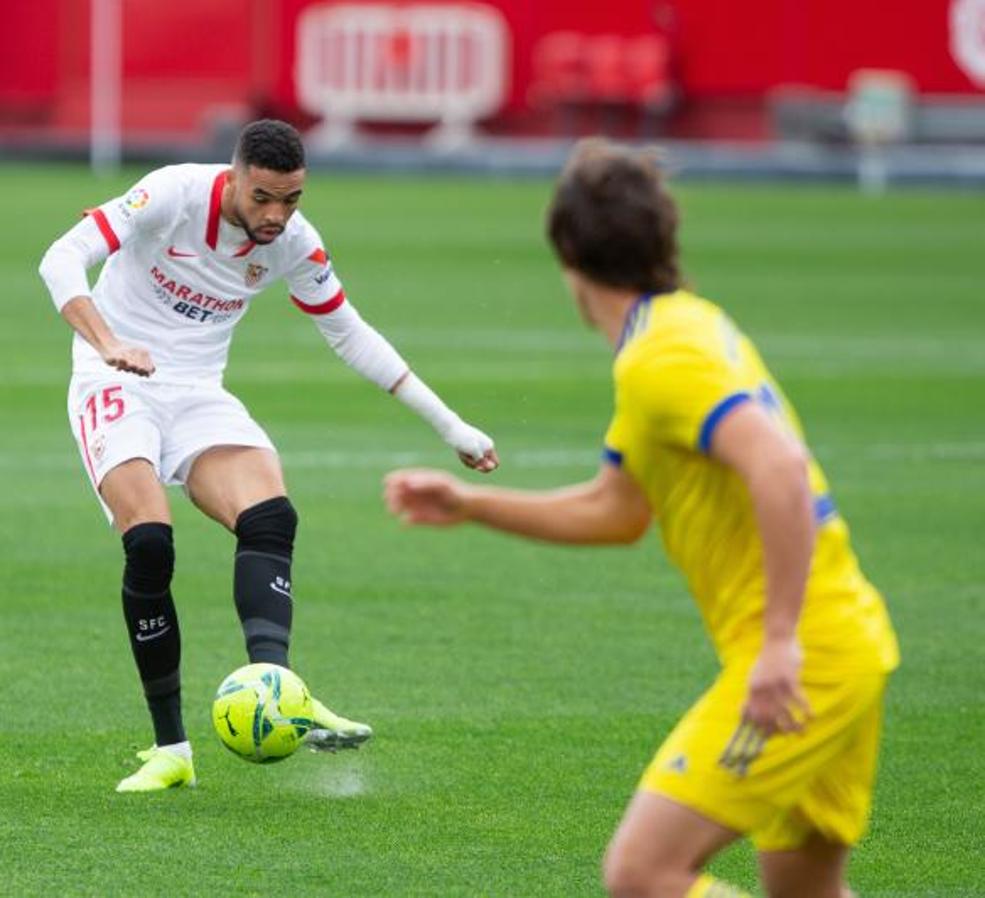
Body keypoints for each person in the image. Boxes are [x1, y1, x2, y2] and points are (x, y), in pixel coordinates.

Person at [384, 139, 898, 898]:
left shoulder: (660, 360)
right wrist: (471, 505)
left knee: (642, 872)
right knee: (803, 891)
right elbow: (616, 510)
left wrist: (780, 643)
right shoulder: (681, 327)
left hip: (804, 659)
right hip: (844, 645)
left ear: (566, 252)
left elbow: (780, 468)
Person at [38, 119, 499, 793]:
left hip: (196, 392)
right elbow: (59, 258)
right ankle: (171, 749)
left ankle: (277, 693)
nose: (276, 215)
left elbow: (349, 333)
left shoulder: (292, 243)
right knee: (150, 546)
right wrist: (107, 342)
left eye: (292, 200)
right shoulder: (171, 194)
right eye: (262, 198)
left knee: (271, 519)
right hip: (114, 381)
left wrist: (451, 425)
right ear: (234, 176)